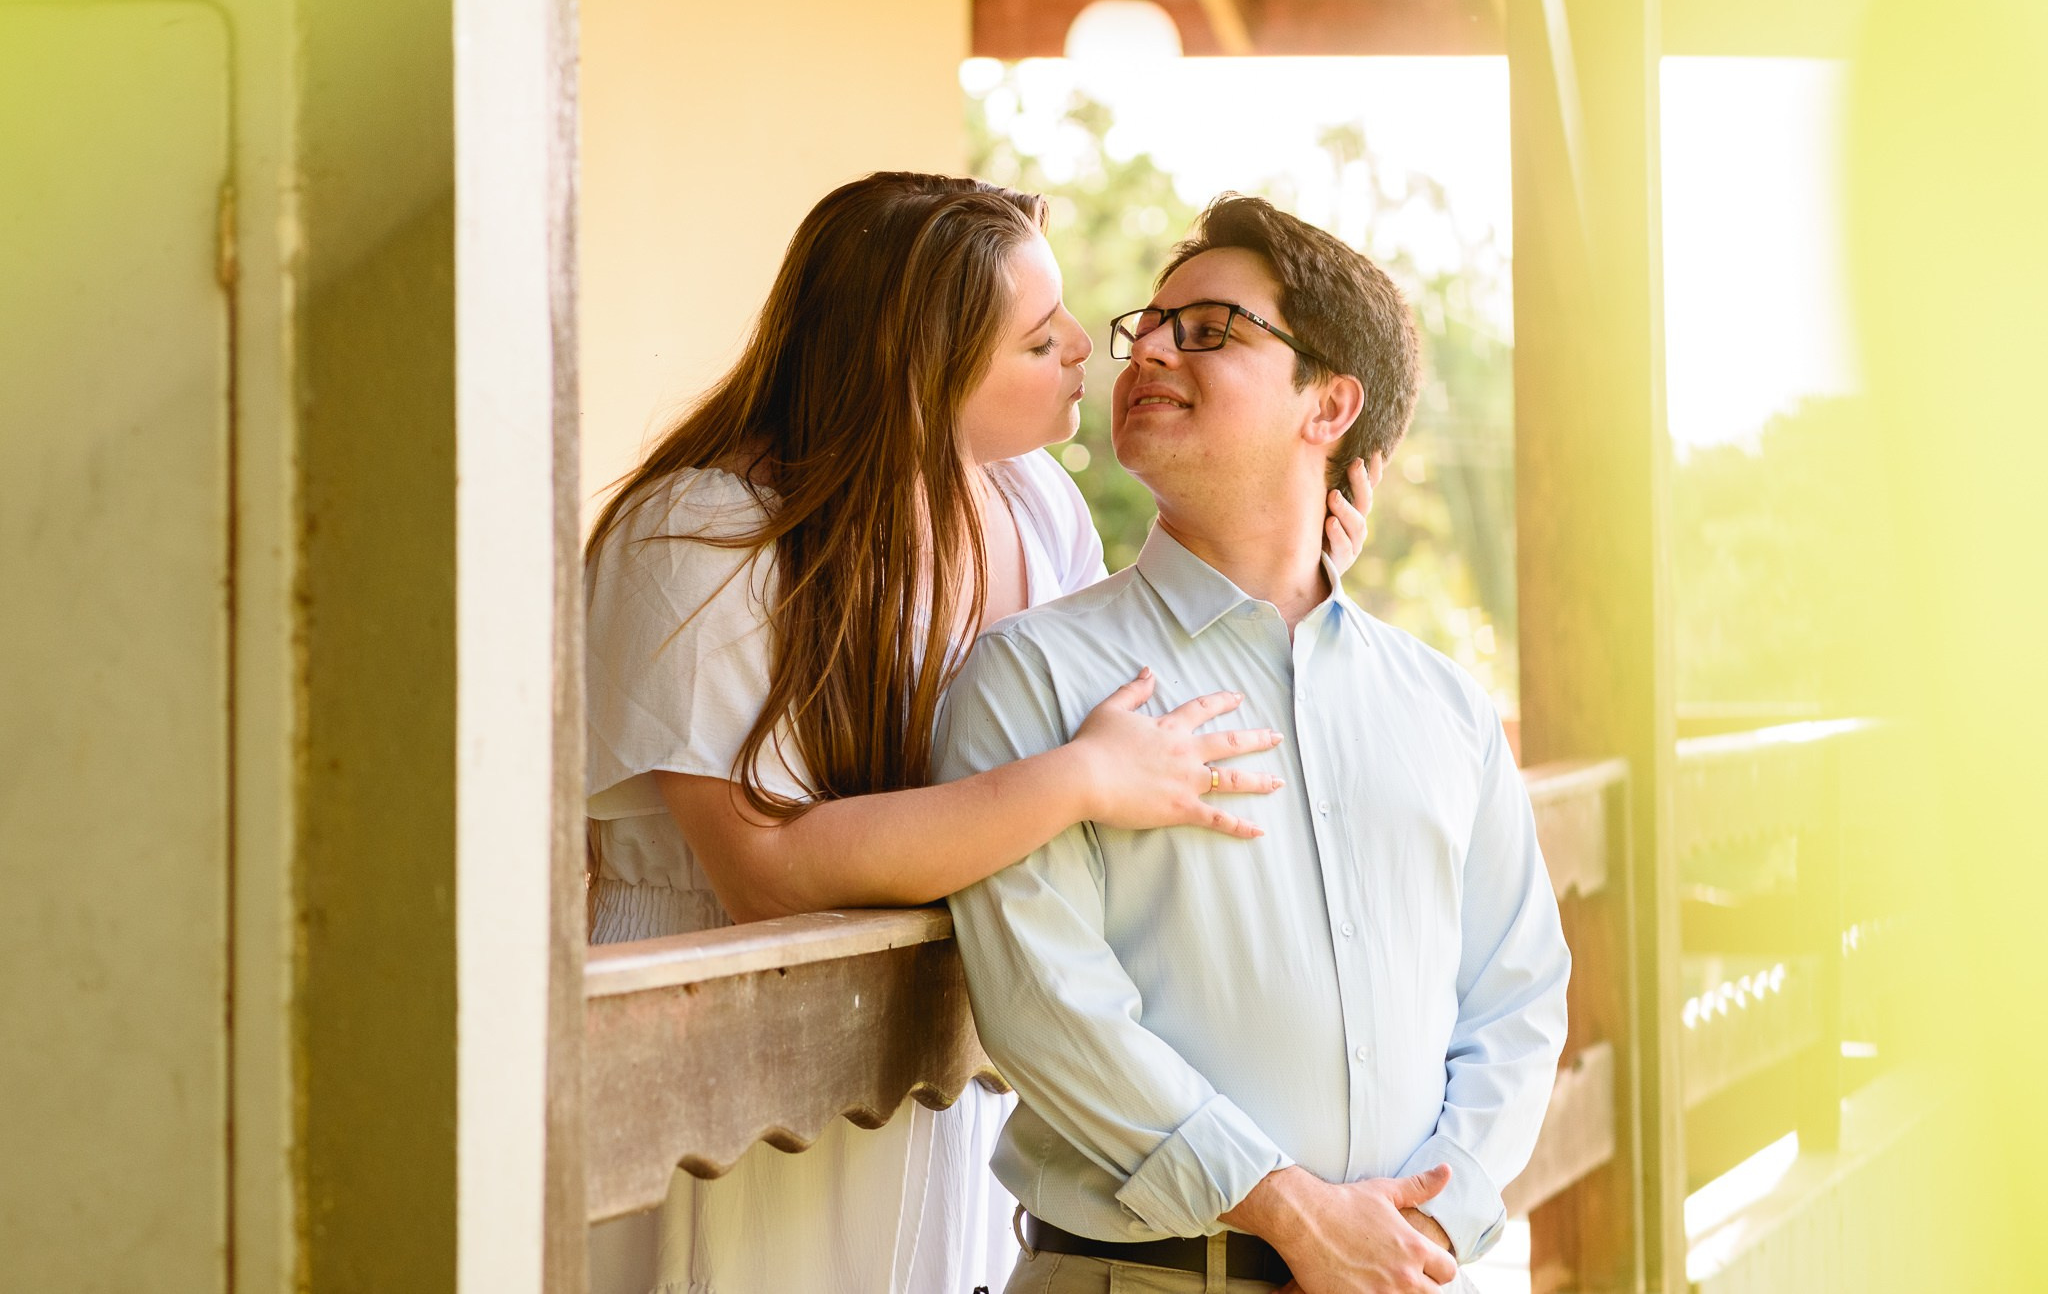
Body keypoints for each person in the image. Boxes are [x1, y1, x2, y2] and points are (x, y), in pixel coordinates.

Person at [583, 173, 1377, 1294]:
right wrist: (1078, 778)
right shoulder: (705, 534)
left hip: (920, 1045)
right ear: (918, 365)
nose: (1084, 352)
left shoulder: (1030, 504)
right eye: (1036, 336)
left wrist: (1308, 577)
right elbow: (762, 870)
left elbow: (1157, 716)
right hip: (723, 1054)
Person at [937, 195, 1571, 1294]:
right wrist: (1292, 1211)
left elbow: (1515, 994)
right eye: (1150, 326)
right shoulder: (1031, 678)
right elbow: (1049, 1008)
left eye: (1210, 327)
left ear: (1330, 403)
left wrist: (1430, 1218)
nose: (1147, 353)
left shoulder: (1446, 708)